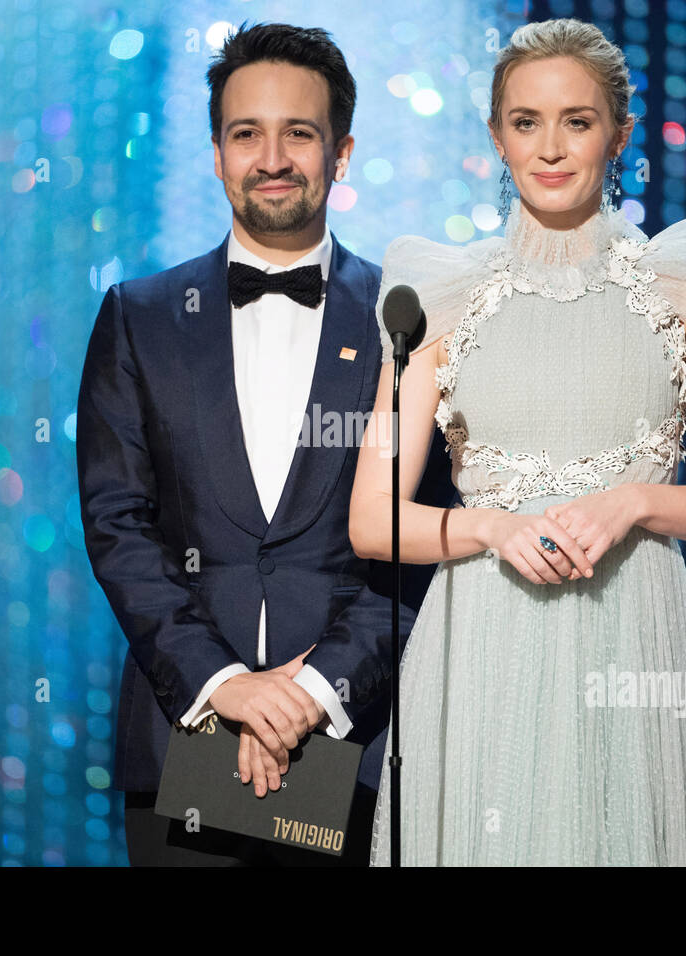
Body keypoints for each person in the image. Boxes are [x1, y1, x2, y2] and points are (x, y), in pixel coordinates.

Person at [351, 18, 686, 865]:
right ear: (496, 135)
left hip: (634, 638)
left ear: (619, 133)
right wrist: (492, 527)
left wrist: (637, 501)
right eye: (526, 122)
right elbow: (371, 518)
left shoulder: (684, 282)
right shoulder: (440, 294)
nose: (550, 148)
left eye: (576, 121)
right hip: (478, 646)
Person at [75, 21, 456, 866]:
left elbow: (419, 534)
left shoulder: (412, 319)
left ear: (342, 152)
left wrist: (313, 691)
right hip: (185, 738)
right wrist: (229, 688)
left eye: (300, 134)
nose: (272, 157)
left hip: (359, 747)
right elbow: (117, 525)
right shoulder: (136, 318)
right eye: (247, 133)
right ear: (216, 152)